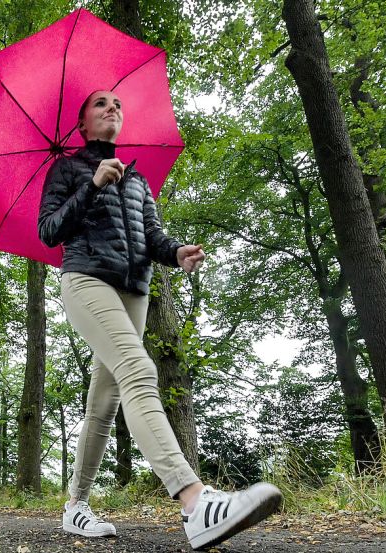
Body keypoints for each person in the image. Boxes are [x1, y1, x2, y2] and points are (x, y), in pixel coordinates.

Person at [38, 90, 283, 550]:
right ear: (83, 125)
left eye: (118, 103)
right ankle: (195, 502)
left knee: (104, 401)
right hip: (87, 281)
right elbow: (49, 231)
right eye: (101, 105)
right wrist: (91, 186)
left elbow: (151, 235)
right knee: (138, 370)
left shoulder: (138, 181)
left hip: (135, 291)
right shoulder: (68, 169)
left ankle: (75, 506)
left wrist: (177, 252)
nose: (113, 108)